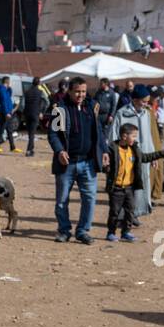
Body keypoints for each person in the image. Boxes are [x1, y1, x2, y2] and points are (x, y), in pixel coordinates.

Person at [48, 76, 109, 243]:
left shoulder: (91, 108)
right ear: (69, 91)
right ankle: (64, 230)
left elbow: (99, 131)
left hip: (88, 163)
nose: (81, 95)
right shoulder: (60, 109)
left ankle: (82, 231)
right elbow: (53, 134)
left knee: (89, 198)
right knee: (62, 200)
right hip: (66, 164)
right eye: (77, 91)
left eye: (83, 91)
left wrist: (104, 150)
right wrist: (60, 150)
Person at [105, 122, 164, 242]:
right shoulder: (113, 149)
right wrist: (106, 167)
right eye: (133, 136)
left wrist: (161, 154)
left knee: (130, 211)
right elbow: (105, 164)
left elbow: (145, 158)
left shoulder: (134, 149)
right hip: (116, 188)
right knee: (114, 212)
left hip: (129, 188)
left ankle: (126, 232)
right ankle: (111, 232)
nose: (135, 139)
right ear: (124, 136)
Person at [107, 83, 157, 218]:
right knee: (126, 187)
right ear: (134, 100)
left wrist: (152, 157)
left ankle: (134, 214)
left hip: (142, 158)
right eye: (143, 101)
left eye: (147, 102)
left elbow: (148, 137)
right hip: (126, 158)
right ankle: (122, 216)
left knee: (141, 187)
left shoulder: (146, 114)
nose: (146, 104)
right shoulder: (122, 113)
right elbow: (113, 136)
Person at [0, 76, 18, 153]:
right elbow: (4, 102)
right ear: (7, 82)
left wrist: (10, 88)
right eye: (9, 82)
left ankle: (12, 147)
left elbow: (9, 96)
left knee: (10, 130)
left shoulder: (6, 90)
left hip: (9, 112)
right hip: (4, 113)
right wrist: (6, 113)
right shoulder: (1, 90)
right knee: (1, 130)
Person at [22, 77, 44, 157]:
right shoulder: (40, 92)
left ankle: (31, 149)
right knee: (32, 133)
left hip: (27, 113)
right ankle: (28, 150)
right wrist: (41, 111)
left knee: (30, 133)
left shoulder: (26, 91)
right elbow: (46, 102)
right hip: (35, 113)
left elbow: (22, 104)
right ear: (39, 83)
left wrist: (23, 113)